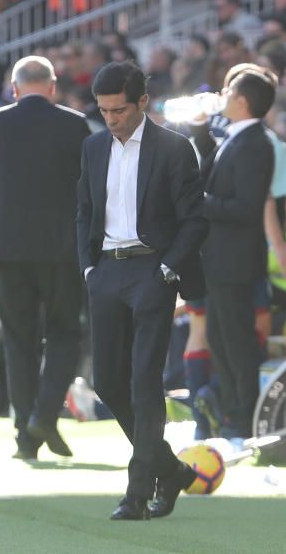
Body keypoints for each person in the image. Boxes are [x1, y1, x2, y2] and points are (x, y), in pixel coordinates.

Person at [77, 61, 207, 520]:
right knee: (108, 382)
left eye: (118, 110)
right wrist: (89, 268)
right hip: (107, 272)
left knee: (144, 382)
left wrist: (169, 268)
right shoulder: (93, 148)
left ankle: (136, 493)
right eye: (103, 111)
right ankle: (170, 470)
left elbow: (194, 218)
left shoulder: (174, 148)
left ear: (143, 103)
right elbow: (84, 210)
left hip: (153, 270)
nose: (110, 119)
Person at [0, 55, 90, 459]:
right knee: (66, 332)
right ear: (52, 86)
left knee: (19, 341)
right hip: (61, 250)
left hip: (8, 251)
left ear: (13, 89)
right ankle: (45, 416)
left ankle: (25, 434)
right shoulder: (74, 124)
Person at [194, 63, 276, 439]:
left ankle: (244, 416)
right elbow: (211, 168)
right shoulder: (236, 135)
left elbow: (245, 207)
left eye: (228, 93)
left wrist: (199, 202)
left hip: (235, 260)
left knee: (237, 341)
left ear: (241, 101)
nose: (221, 98)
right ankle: (232, 412)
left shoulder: (256, 143)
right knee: (221, 339)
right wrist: (198, 127)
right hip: (220, 259)